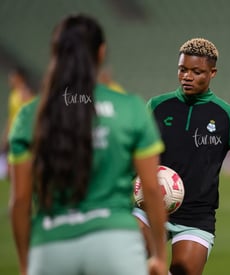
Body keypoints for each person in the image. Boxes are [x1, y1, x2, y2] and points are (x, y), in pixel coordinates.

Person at [8, 14, 167, 275]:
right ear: (101, 53)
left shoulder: (29, 115)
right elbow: (151, 189)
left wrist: (27, 264)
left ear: (55, 53)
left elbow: (21, 200)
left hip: (51, 246)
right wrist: (159, 256)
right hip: (117, 245)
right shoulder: (131, 109)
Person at [133, 38, 230, 275]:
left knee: (184, 269)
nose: (187, 76)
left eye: (196, 72)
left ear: (212, 73)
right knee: (134, 258)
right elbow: (132, 149)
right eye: (182, 69)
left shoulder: (228, 116)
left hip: (196, 214)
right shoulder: (156, 106)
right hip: (150, 205)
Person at [0, 67, 34, 179]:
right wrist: (5, 136)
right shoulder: (13, 95)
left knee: (18, 168)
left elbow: (32, 113)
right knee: (11, 170)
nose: (11, 79)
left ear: (20, 78)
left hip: (22, 135)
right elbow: (11, 118)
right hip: (14, 135)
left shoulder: (25, 94)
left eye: (13, 77)